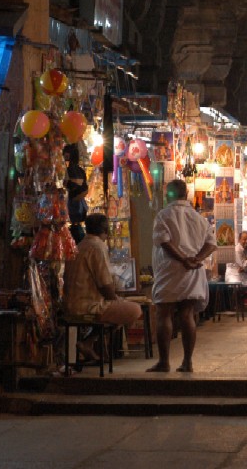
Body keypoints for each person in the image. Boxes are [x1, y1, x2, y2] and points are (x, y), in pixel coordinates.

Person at [150, 179, 217, 373]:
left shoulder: (163, 215)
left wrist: (183, 259)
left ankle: (164, 362)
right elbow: (211, 244)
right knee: (187, 314)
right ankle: (187, 362)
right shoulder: (198, 217)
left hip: (170, 269)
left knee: (164, 314)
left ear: (168, 195)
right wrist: (195, 259)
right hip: (192, 271)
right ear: (186, 194)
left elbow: (164, 241)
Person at [62, 213, 142, 361]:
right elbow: (105, 285)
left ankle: (89, 342)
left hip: (71, 303)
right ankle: (88, 342)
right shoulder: (97, 247)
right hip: (87, 305)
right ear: (105, 230)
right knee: (135, 310)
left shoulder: (80, 245)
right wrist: (116, 300)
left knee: (122, 308)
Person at [63, 143, 88, 244]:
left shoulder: (68, 171)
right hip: (77, 202)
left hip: (74, 203)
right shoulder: (81, 171)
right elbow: (85, 188)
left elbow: (66, 185)